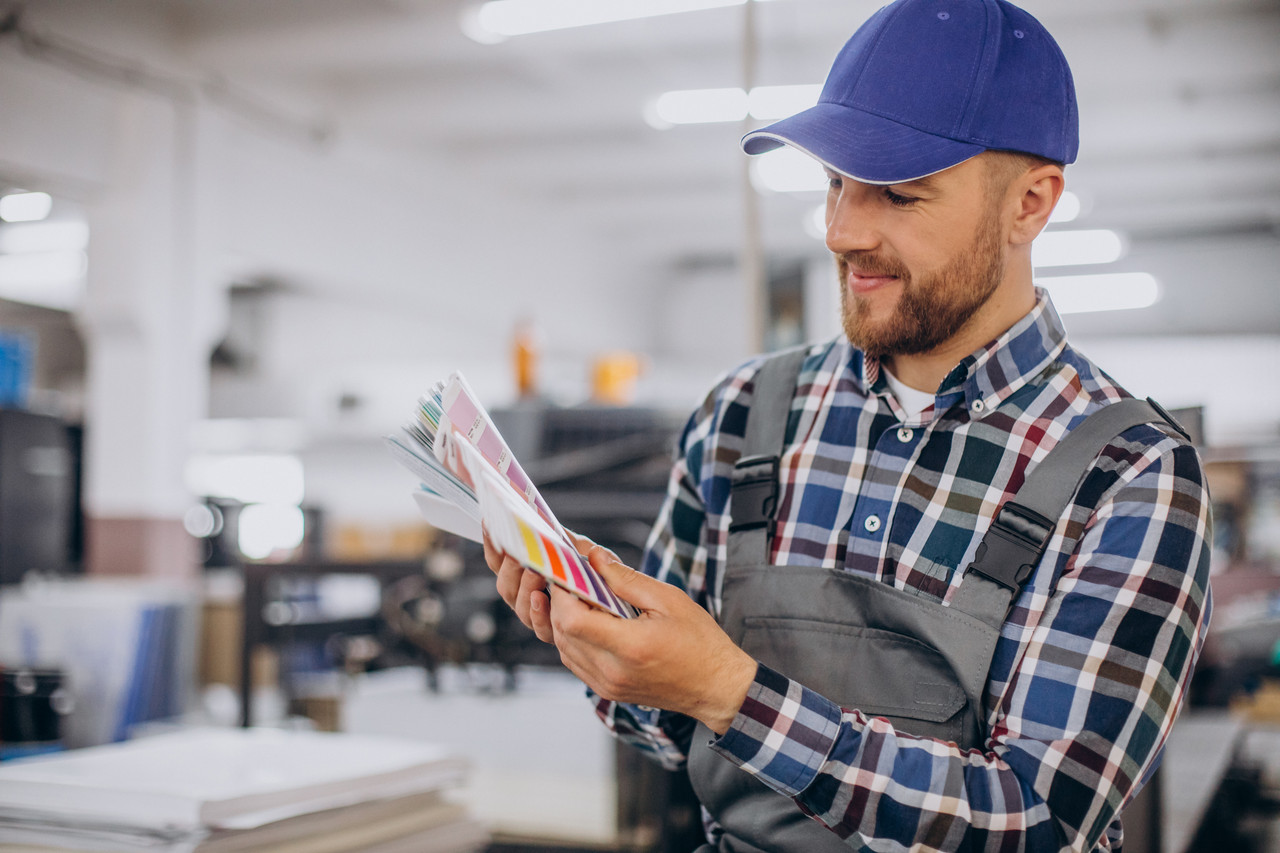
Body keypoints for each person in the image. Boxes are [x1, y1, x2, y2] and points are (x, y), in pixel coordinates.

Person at [483, 0, 1212, 849]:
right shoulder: (742, 416)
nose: (842, 231)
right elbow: (669, 734)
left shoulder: (1130, 474)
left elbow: (1040, 820)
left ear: (1031, 203)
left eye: (899, 192)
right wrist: (612, 654)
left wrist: (729, 689)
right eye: (834, 181)